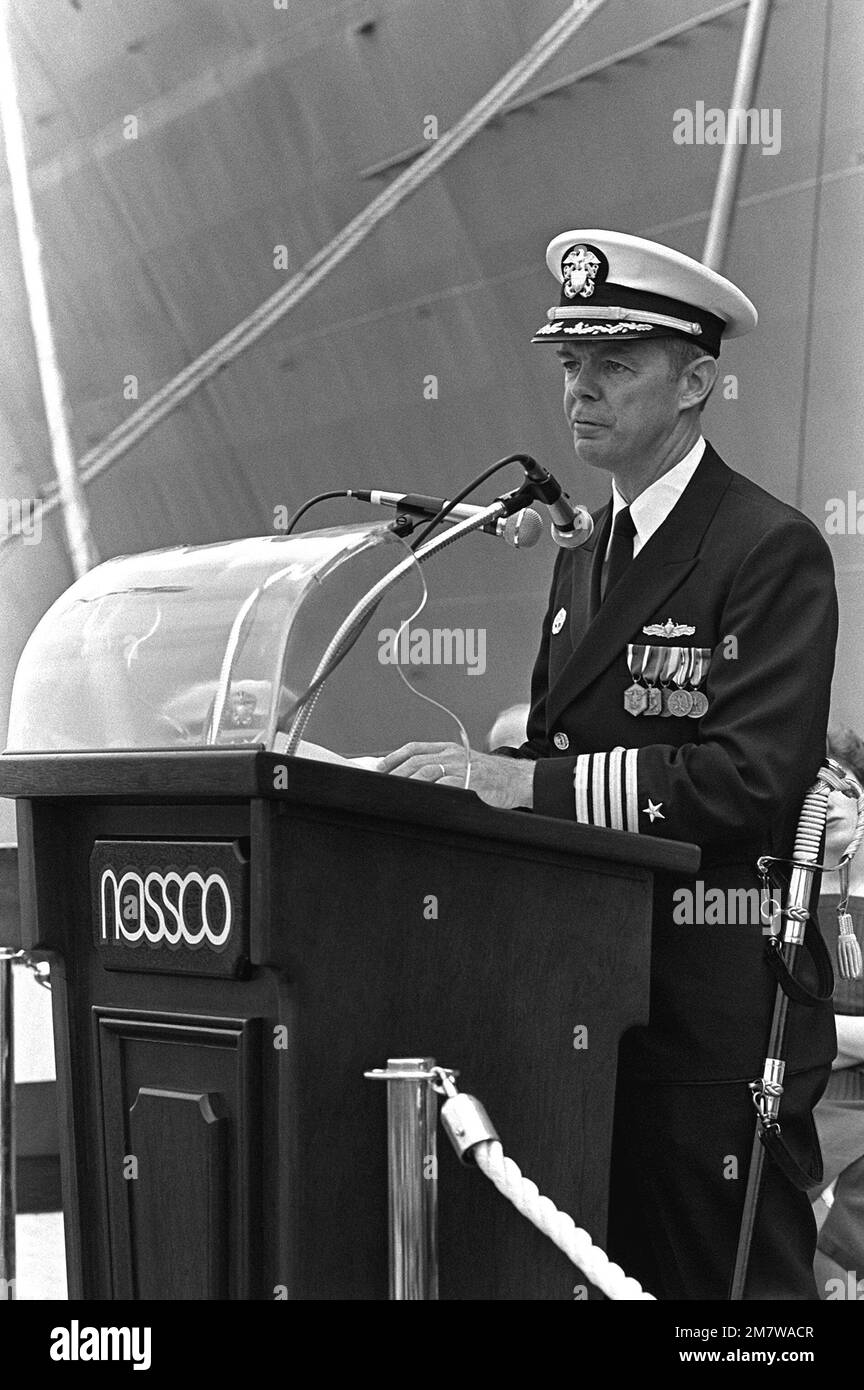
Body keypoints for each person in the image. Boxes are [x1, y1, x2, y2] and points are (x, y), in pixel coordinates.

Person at [381, 228, 839, 1299]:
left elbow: (748, 781)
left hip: (710, 1015)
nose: (581, 392)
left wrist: (520, 781)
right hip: (584, 1002)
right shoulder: (586, 551)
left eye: (615, 365)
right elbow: (558, 743)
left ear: (696, 382)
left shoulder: (767, 549)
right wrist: (439, 781)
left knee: (734, 1303)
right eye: (572, 366)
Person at [811, 726, 864, 1298]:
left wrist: (807, 1027)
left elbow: (773, 1022)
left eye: (838, 784)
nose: (824, 799)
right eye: (809, 789)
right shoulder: (766, 901)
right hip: (787, 1108)